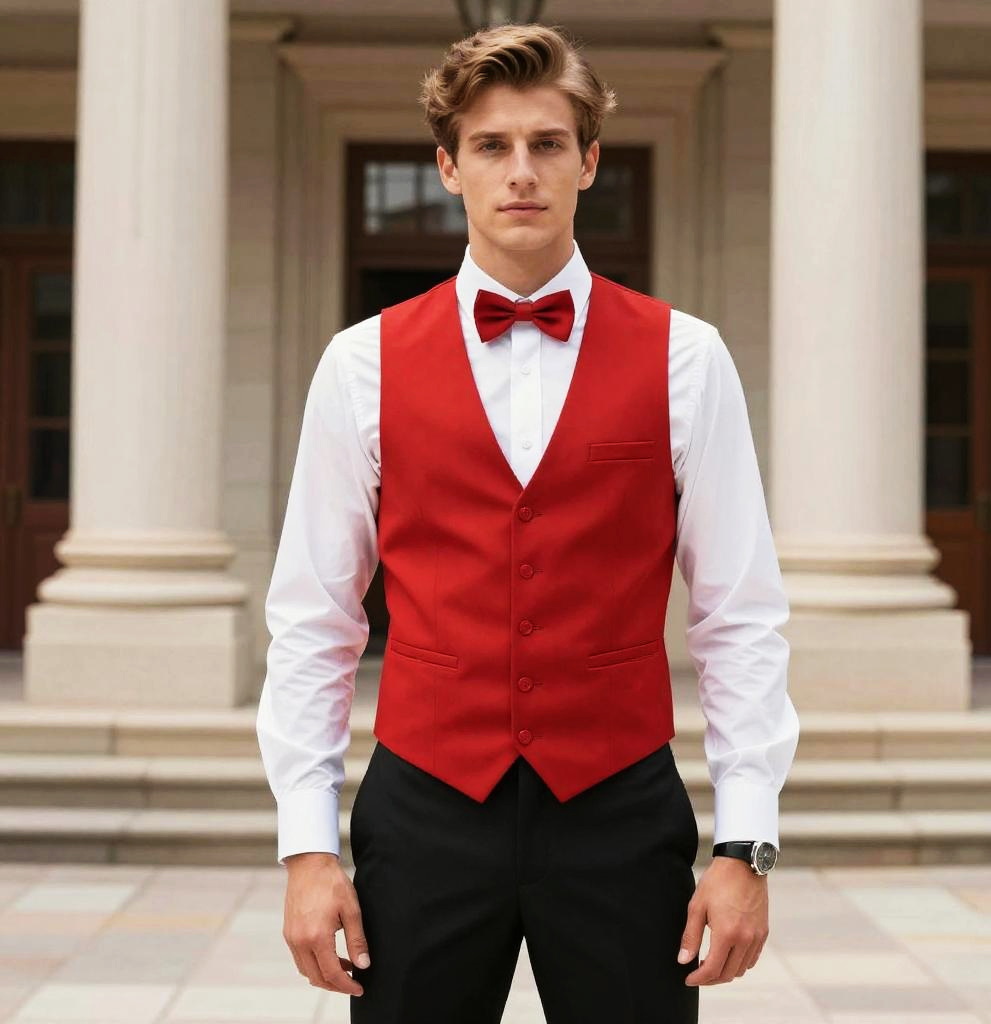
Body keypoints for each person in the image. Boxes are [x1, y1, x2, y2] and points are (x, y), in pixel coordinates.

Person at [256, 21, 800, 1024]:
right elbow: (314, 618)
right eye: (492, 146)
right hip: (422, 809)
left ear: (589, 161)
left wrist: (744, 845)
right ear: (448, 168)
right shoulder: (360, 363)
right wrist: (306, 847)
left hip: (620, 810)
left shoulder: (688, 358)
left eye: (548, 144)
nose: (521, 171)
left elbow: (739, 613)